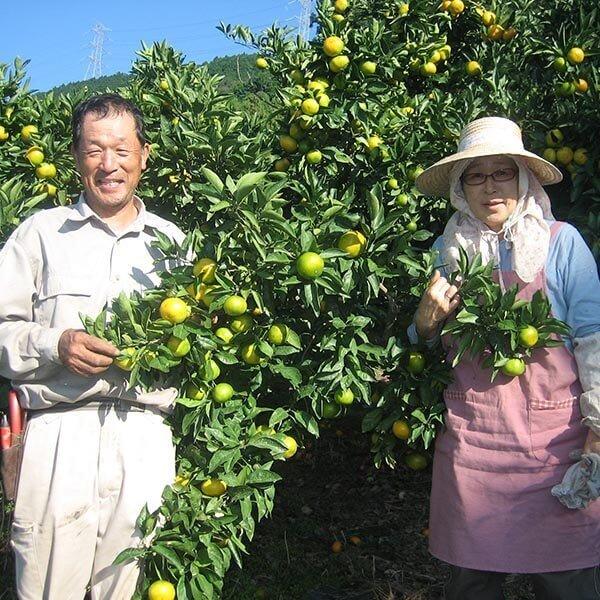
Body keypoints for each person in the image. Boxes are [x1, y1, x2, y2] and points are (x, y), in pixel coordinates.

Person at [0, 93, 185, 599]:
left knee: (125, 588)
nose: (110, 165)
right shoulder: (40, 234)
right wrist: (54, 344)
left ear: (144, 155)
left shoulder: (173, 245)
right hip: (59, 434)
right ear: (77, 157)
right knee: (46, 586)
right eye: (95, 150)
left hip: (144, 435)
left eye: (122, 151)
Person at [411, 116, 600, 599]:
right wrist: (426, 320)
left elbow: (593, 341)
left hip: (557, 447)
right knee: (471, 581)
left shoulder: (560, 244)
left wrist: (597, 439)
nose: (489, 187)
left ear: (523, 178)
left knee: (567, 581)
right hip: (475, 444)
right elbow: (423, 341)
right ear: (460, 185)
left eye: (502, 173)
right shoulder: (446, 250)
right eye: (476, 175)